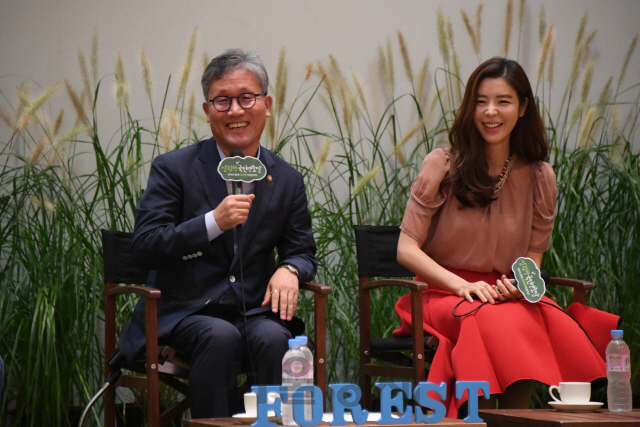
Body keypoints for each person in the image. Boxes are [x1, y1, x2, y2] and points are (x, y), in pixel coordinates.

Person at [393, 57, 619, 418]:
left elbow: (532, 258)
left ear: (523, 107)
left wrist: (520, 286)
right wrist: (461, 286)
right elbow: (406, 250)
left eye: (503, 101)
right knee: (489, 319)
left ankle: (517, 420)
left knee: (532, 315)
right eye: (481, 102)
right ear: (470, 108)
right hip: (440, 293)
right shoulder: (443, 165)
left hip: (504, 295)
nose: (490, 112)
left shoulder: (540, 177)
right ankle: (477, 420)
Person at [118, 48, 317, 417]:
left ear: (267, 104)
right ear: (208, 110)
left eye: (246, 98)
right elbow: (144, 247)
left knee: (276, 338)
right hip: (186, 312)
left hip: (255, 311)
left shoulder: (287, 178)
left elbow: (303, 251)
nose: (236, 111)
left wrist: (290, 270)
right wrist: (213, 223)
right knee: (220, 336)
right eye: (222, 101)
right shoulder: (174, 168)